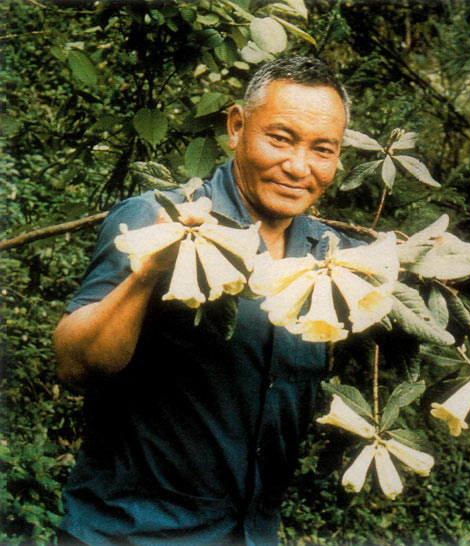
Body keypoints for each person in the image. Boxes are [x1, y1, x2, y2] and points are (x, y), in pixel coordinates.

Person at [53, 56, 357, 546]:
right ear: (236, 127)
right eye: (280, 138)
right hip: (128, 535)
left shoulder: (336, 259)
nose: (299, 166)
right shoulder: (155, 217)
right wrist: (150, 269)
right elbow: (74, 365)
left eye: (323, 149)